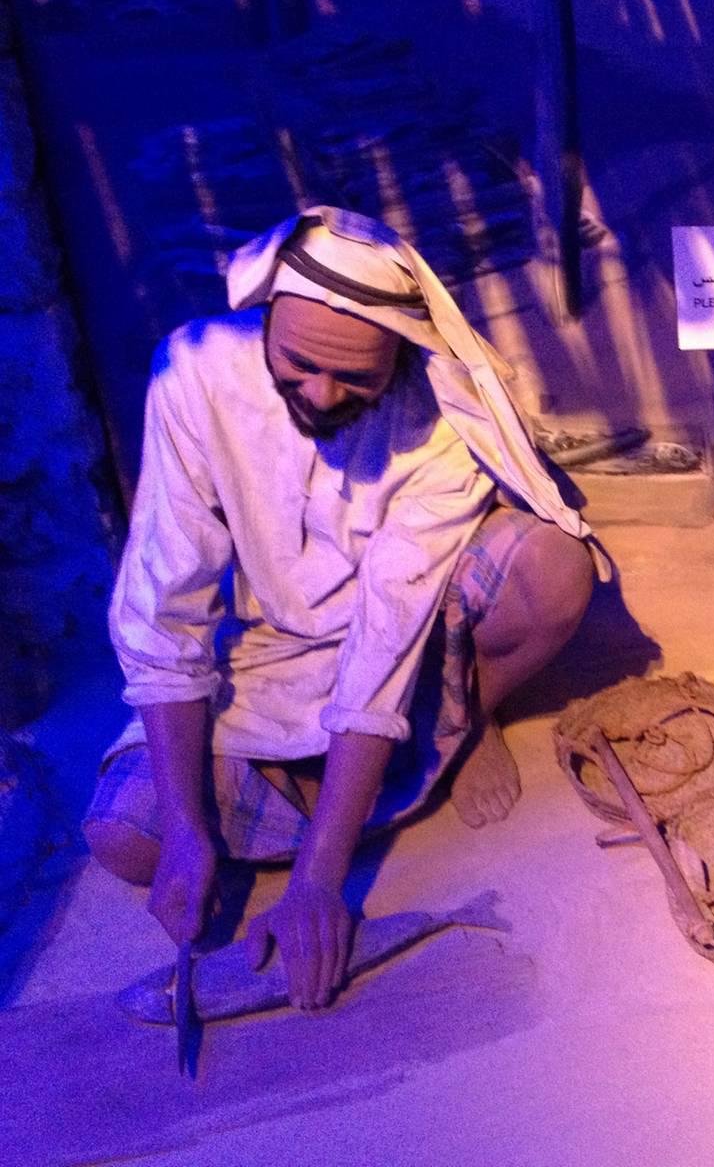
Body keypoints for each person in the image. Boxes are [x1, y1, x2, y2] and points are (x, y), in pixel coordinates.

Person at [82, 207, 600, 1007]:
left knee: (552, 572)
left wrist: (320, 879)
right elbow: (166, 603)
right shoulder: (193, 372)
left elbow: (389, 630)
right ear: (265, 317)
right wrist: (185, 829)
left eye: (356, 377)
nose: (322, 394)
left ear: (397, 348)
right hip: (265, 653)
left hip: (416, 647)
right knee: (125, 837)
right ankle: (392, 782)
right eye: (298, 364)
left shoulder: (440, 417)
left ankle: (463, 720)